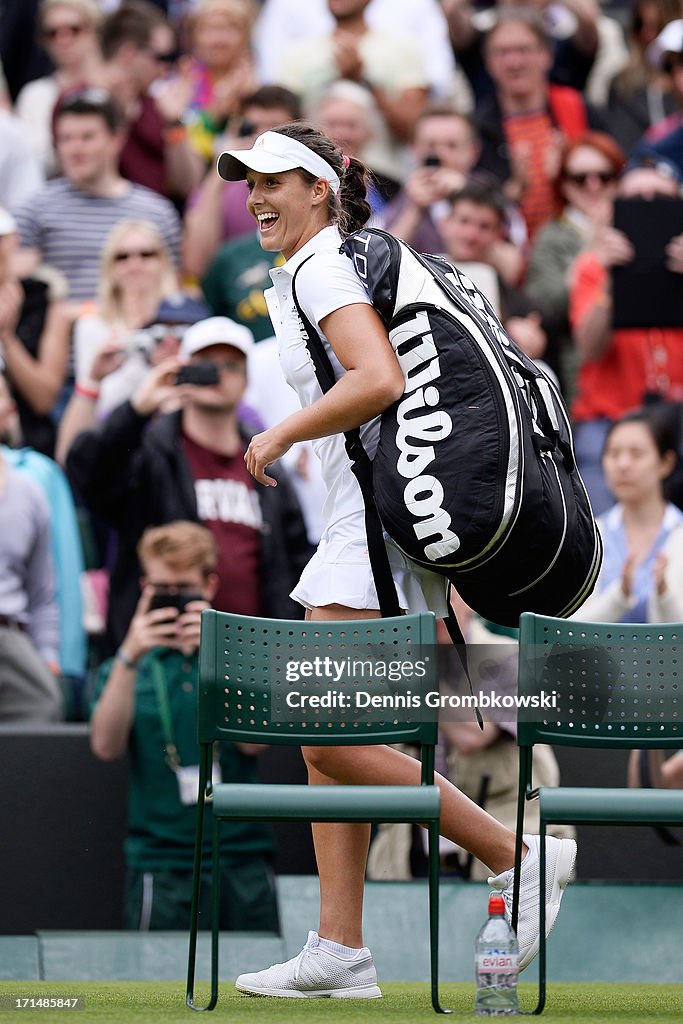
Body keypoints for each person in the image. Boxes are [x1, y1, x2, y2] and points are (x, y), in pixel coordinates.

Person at [214, 120, 577, 997]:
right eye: (247, 181)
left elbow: (377, 379)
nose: (257, 196)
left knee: (323, 727)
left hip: (368, 532)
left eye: (275, 181)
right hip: (373, 521)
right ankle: (340, 949)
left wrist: (279, 433)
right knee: (332, 745)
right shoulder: (311, 265)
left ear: (319, 192)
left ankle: (517, 856)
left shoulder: (322, 264)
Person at [65, 315, 312, 657]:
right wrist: (139, 407)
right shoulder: (152, 453)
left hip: (251, 659)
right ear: (183, 370)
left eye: (231, 366)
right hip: (164, 653)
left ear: (245, 381)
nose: (218, 374)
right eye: (205, 365)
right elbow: (85, 472)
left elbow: (295, 562)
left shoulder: (266, 464)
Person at [90, 520, 279, 931]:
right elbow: (105, 746)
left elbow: (255, 744)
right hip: (160, 861)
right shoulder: (127, 667)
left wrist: (219, 652)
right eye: (163, 591)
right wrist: (130, 653)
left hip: (240, 856)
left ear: (209, 586)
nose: (173, 602)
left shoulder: (234, 656)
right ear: (145, 587)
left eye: (184, 590)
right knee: (156, 986)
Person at [569, 156, 683, 514]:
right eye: (636, 199)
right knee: (598, 521)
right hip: (611, 419)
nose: (648, 207)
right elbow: (589, 346)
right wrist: (611, 281)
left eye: (660, 198)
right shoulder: (593, 266)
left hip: (680, 416)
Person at [54, 218, 208, 464]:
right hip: (114, 438)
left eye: (146, 254)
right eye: (122, 257)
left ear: (163, 263)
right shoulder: (92, 324)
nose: (134, 264)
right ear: (109, 267)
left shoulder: (186, 316)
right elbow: (98, 399)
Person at [12, 88, 182, 306]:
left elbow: (172, 289)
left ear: (116, 140)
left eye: (87, 137)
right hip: (63, 336)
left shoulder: (158, 212)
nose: (75, 148)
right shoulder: (33, 209)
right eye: (66, 138)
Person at [525, 131, 626, 399]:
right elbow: (546, 306)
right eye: (580, 178)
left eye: (604, 176)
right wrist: (591, 257)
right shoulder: (552, 236)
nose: (593, 185)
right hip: (583, 369)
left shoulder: (639, 226)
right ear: (565, 186)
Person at [572, 410, 683, 624]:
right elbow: (564, 630)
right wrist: (619, 597)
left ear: (666, 463)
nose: (622, 465)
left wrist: (665, 596)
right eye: (613, 453)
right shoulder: (589, 537)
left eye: (637, 454)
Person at [182, 86, 303, 282]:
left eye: (275, 128)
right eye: (252, 127)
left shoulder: (317, 180)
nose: (261, 137)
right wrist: (217, 171)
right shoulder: (221, 184)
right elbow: (196, 264)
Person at [0, 373, 62, 723]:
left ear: (9, 410)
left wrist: (48, 655)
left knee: (44, 705)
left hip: (10, 636)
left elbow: (42, 592)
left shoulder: (29, 491)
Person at [99, 0, 204, 199]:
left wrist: (174, 124)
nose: (165, 68)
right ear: (128, 53)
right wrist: (118, 115)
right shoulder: (82, 100)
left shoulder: (154, 104)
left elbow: (188, 184)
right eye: (161, 57)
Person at [14, 0, 106, 176]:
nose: (63, 39)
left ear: (94, 31)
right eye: (52, 33)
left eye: (74, 29)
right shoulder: (35, 95)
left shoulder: (115, 88)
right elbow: (34, 163)